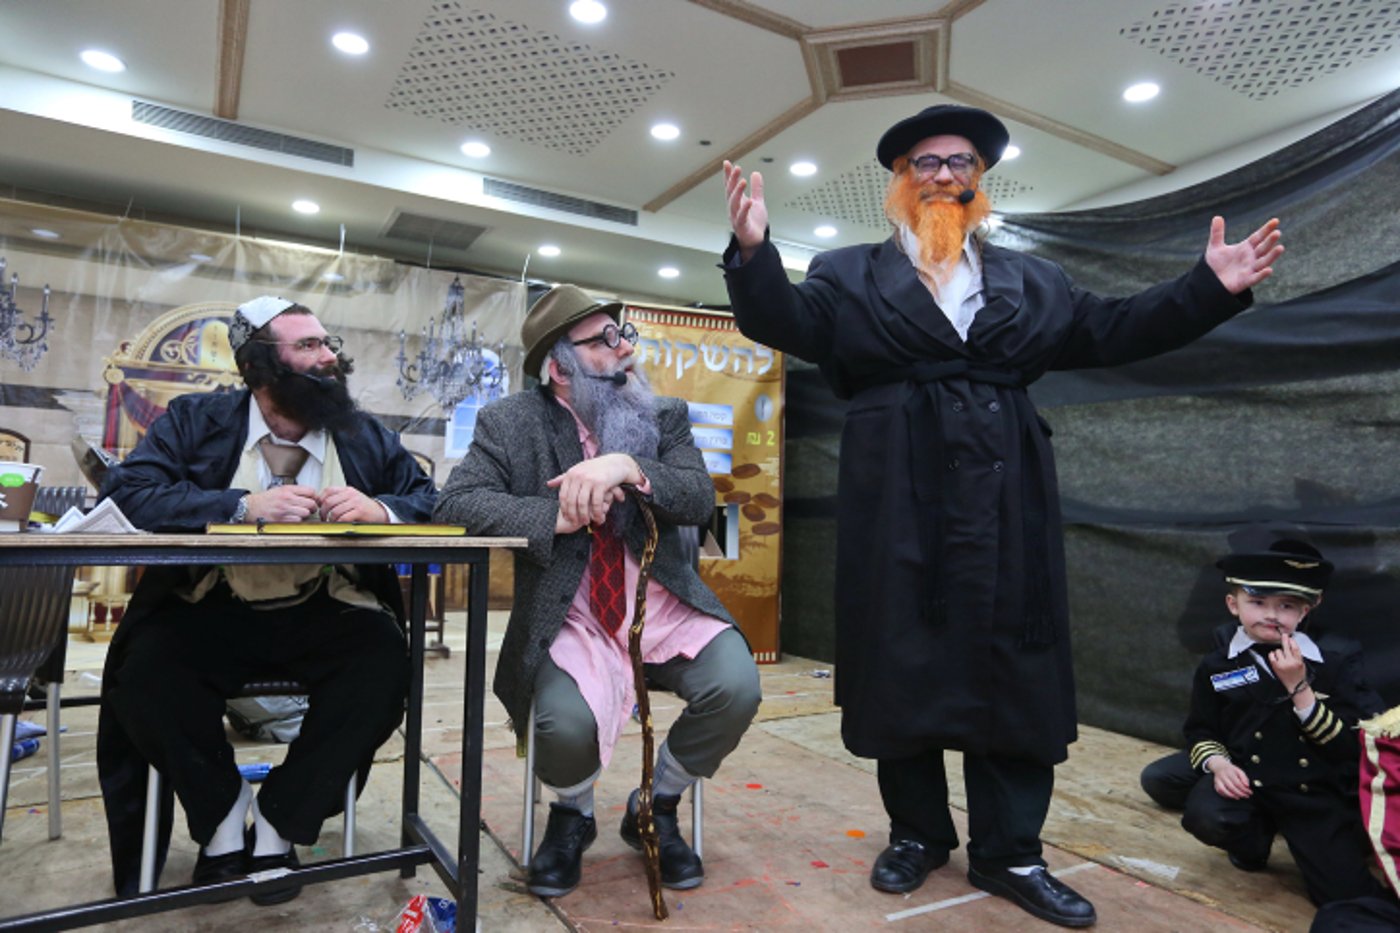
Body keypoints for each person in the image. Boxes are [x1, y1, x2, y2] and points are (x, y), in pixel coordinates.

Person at [720, 103, 1284, 928]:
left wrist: (1208, 287)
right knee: (902, 663)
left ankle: (1012, 850)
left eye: (961, 163)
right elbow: (784, 320)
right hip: (897, 499)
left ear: (979, 180)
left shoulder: (1034, 280)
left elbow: (1114, 329)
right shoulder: (847, 273)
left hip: (1007, 500)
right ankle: (917, 833)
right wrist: (752, 251)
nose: (943, 175)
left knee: (1013, 669)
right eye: (926, 162)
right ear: (900, 180)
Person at [96, 296, 437, 901]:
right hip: (211, 604)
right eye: (308, 346)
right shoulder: (196, 419)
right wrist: (241, 506)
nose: (329, 357)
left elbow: (431, 500)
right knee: (143, 673)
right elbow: (132, 491)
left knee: (384, 666)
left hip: (325, 605)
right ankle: (223, 818)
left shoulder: (361, 433)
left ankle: (280, 822)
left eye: (327, 343)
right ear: (257, 366)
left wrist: (380, 510)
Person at [433, 284, 760, 899]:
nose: (625, 349)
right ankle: (573, 813)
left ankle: (655, 805)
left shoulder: (662, 415)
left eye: (623, 334)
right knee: (560, 725)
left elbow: (698, 499)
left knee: (736, 687)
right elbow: (456, 504)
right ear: (560, 369)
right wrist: (553, 515)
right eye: (603, 341)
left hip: (661, 606)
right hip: (575, 615)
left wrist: (629, 468)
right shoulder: (512, 423)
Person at [1177, 527, 1386, 907]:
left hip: (1310, 794)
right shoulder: (1218, 664)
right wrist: (1219, 765)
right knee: (1206, 814)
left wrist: (1299, 687)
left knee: (1344, 898)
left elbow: (1349, 746)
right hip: (1252, 784)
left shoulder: (1334, 661)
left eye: (1287, 606)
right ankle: (1252, 842)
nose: (1271, 615)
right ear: (1233, 605)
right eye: (1257, 602)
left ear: (1306, 611)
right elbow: (1201, 728)